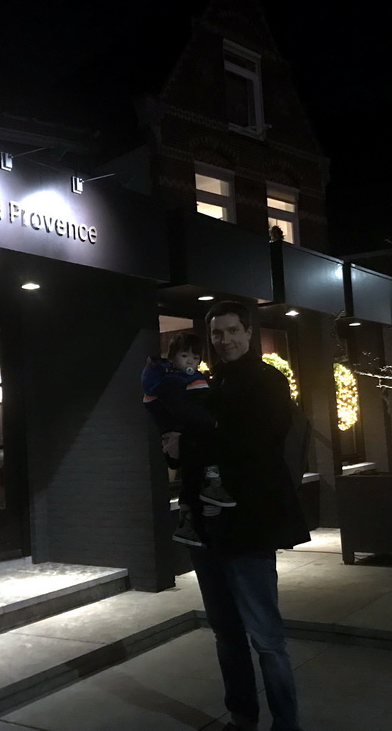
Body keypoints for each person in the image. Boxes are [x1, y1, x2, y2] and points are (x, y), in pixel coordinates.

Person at [164, 300, 310, 731]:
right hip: (208, 532)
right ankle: (242, 718)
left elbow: (256, 447)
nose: (224, 340)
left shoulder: (269, 382)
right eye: (217, 334)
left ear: (248, 333)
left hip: (249, 528)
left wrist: (190, 446)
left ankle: (286, 724)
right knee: (226, 635)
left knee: (266, 639)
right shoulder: (205, 384)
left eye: (231, 331)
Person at [142, 332, 235, 547]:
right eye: (185, 356)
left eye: (195, 358)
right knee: (195, 474)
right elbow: (193, 415)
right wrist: (212, 424)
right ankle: (198, 506)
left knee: (192, 477)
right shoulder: (173, 382)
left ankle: (189, 520)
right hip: (185, 439)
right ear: (173, 358)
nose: (191, 362)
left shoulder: (173, 379)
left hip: (183, 442)